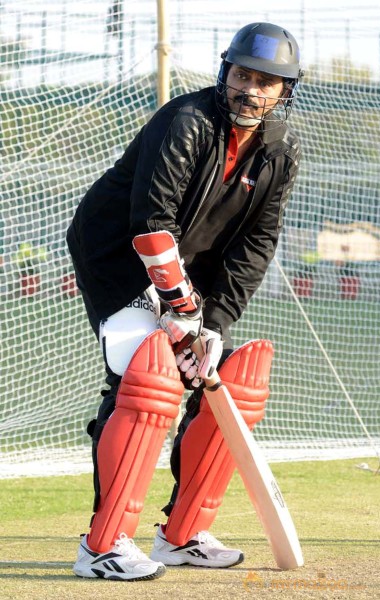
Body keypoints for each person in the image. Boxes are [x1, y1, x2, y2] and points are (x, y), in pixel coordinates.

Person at [67, 21, 303, 581]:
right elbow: (151, 224)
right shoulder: (185, 121)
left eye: (268, 82)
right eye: (243, 75)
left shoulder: (281, 150)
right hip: (118, 256)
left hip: (188, 267)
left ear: (284, 92)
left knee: (224, 381)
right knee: (144, 380)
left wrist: (211, 322)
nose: (252, 90)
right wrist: (180, 310)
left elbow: (257, 243)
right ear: (226, 73)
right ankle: (102, 545)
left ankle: (182, 534)